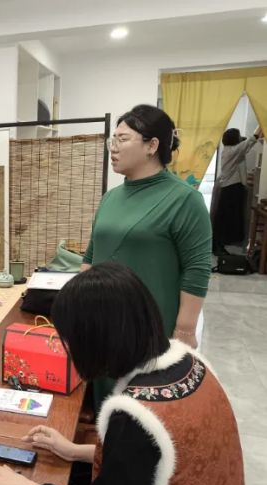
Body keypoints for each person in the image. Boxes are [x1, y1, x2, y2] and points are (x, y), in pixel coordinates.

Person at [0, 262, 254, 485]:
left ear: (95, 339)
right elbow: (153, 463)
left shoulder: (136, 415)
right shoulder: (191, 365)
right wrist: (77, 450)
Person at [82, 104, 212, 409]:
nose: (113, 148)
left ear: (152, 145)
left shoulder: (184, 199)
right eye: (112, 140)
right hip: (102, 322)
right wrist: (80, 310)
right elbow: (91, 254)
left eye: (122, 139)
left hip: (150, 327)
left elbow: (197, 269)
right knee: (103, 404)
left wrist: (185, 330)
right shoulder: (111, 198)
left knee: (143, 408)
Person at [212, 125, 264, 254]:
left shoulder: (230, 150)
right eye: (239, 136)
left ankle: (218, 246)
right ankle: (219, 247)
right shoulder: (234, 151)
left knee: (223, 219)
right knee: (227, 220)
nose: (241, 137)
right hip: (231, 189)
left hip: (228, 188)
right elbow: (251, 140)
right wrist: (262, 124)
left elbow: (247, 142)